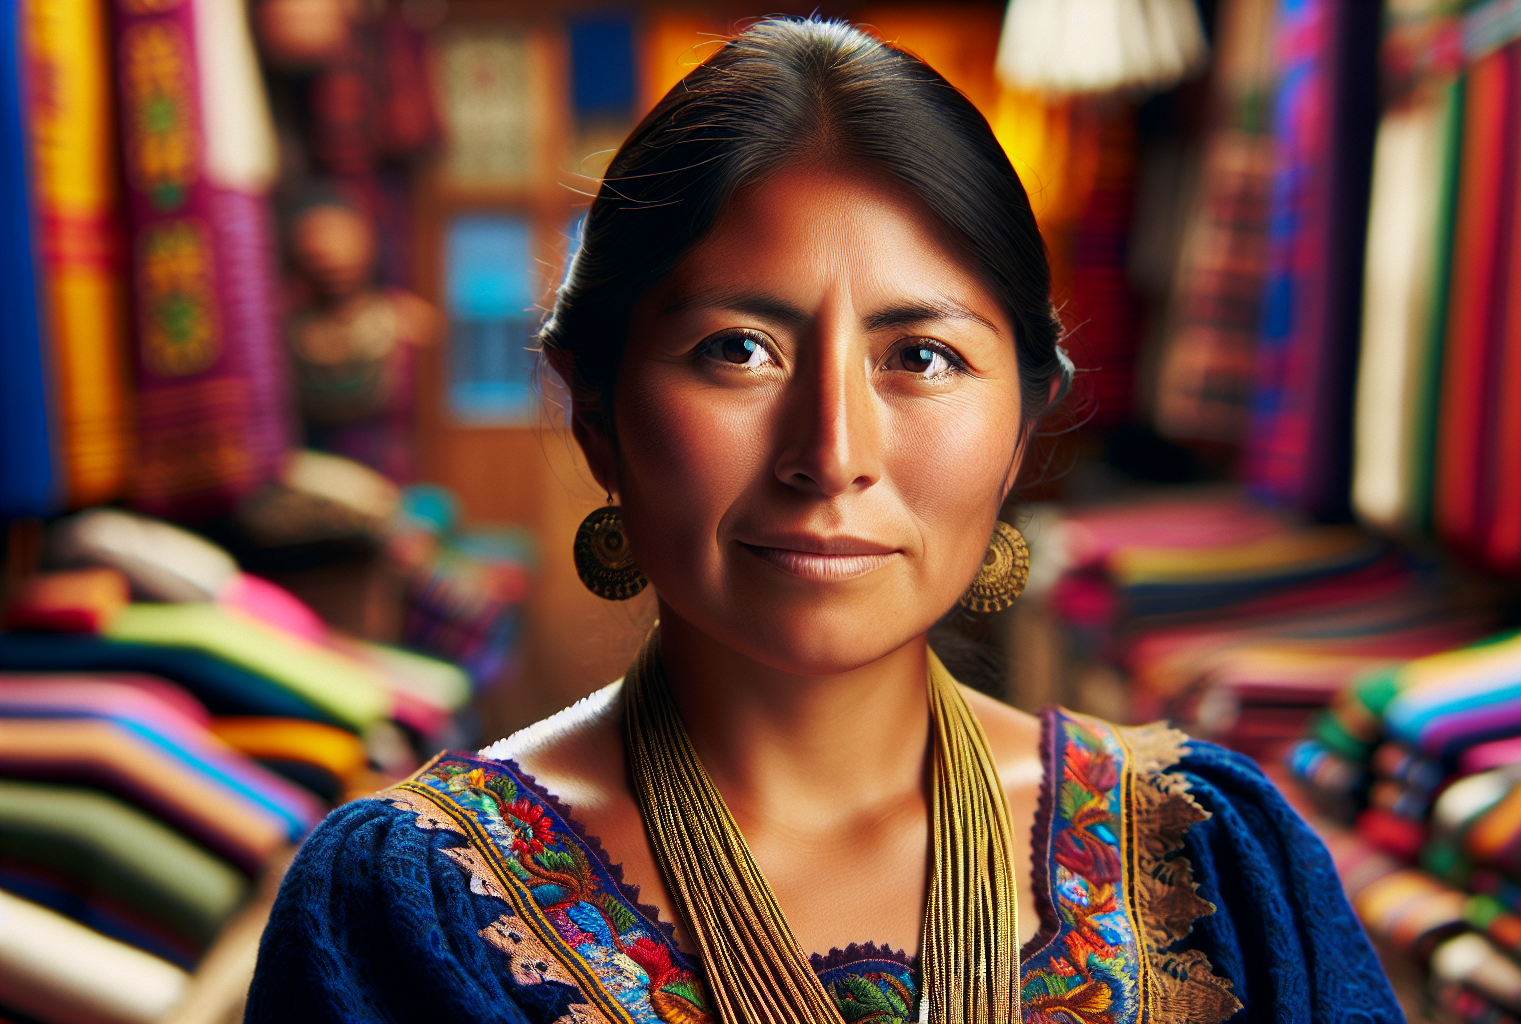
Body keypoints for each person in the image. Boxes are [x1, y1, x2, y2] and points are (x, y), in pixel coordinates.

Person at [246, 18, 1401, 1023]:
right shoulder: (408, 906)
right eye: (737, 351)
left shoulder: (1210, 854)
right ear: (594, 408)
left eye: (921, 355)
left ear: (1020, 425)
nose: (832, 454)